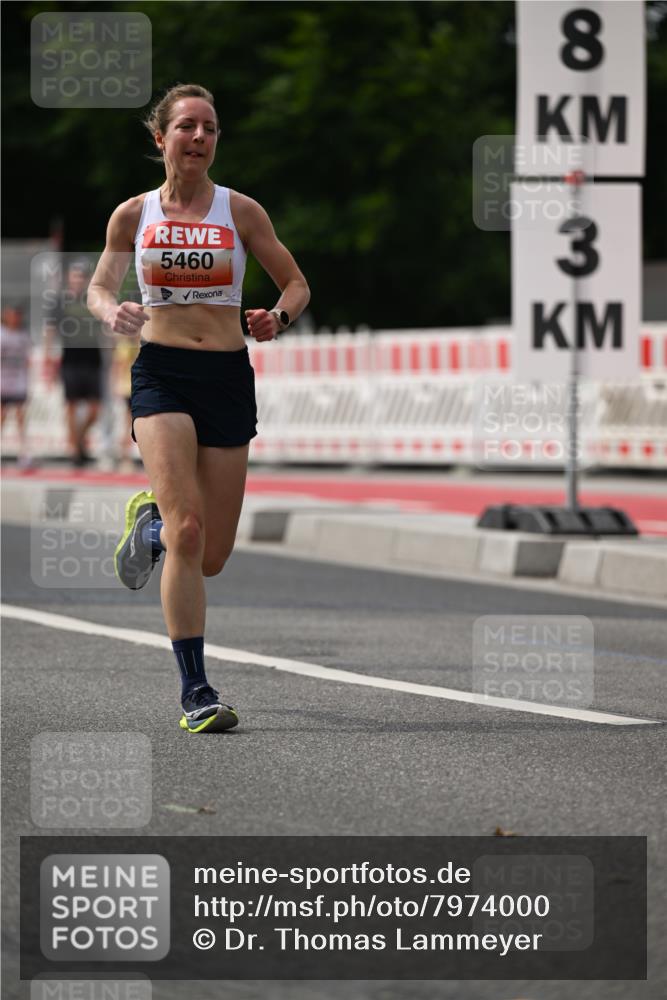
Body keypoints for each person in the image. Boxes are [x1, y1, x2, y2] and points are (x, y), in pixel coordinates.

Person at [87, 83, 310, 733]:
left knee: (210, 554)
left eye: (210, 128)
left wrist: (278, 316)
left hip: (226, 375)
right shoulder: (133, 215)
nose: (199, 138)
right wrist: (114, 309)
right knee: (191, 533)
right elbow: (100, 286)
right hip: (160, 372)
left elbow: (295, 281)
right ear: (161, 139)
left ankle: (150, 523)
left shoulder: (240, 212)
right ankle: (197, 691)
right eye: (186, 126)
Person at [43, 260, 104, 466]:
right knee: (71, 406)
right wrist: (47, 359)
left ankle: (77, 442)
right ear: (70, 277)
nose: (78, 279)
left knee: (96, 409)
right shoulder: (60, 301)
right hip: (70, 359)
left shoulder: (93, 301)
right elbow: (50, 331)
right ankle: (75, 452)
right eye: (75, 275)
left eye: (82, 276)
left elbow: (106, 328)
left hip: (93, 358)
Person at [1, 304, 33, 469]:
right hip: (3, 383)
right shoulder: (2, 334)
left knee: (21, 419)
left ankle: (24, 453)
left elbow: (28, 360)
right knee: (2, 418)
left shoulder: (23, 335)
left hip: (18, 383)